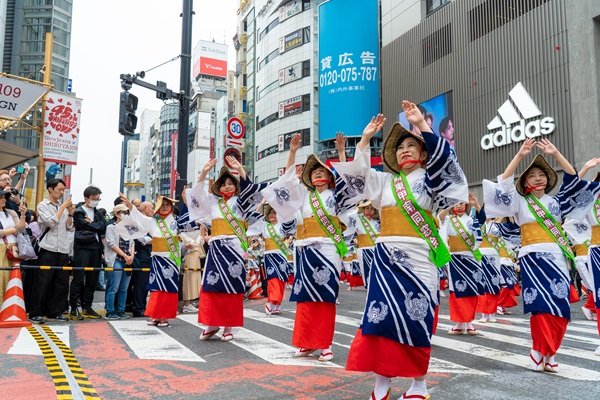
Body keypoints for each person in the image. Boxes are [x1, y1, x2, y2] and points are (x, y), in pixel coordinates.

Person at [333, 101, 468, 400]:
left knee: (416, 318)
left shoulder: (433, 181)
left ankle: (418, 383)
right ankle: (382, 381)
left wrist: (421, 124)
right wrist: (366, 140)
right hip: (386, 259)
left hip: (420, 258)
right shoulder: (386, 183)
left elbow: (449, 164)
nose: (405, 150)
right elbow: (359, 178)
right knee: (380, 319)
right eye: (400, 147)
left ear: (423, 153)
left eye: (412, 145)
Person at [482, 138, 600, 372]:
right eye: (532, 175)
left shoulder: (557, 202)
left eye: (542, 175)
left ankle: (550, 351)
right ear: (525, 181)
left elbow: (573, 179)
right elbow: (504, 183)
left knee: (560, 307)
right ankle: (538, 351)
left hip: (557, 259)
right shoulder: (519, 202)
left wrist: (556, 154)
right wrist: (519, 156)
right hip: (532, 259)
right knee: (540, 306)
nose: (538, 178)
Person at [261, 133, 355, 362]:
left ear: (330, 178)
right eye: (314, 172)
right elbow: (287, 184)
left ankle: (325, 344)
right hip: (304, 251)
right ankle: (306, 342)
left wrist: (342, 152)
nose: (317, 174)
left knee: (324, 297)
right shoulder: (304, 196)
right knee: (304, 298)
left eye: (322, 171)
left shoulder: (337, 196)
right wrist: (292, 152)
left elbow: (349, 183)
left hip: (327, 251)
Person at [186, 155, 265, 341]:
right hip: (216, 249)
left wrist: (240, 169)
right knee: (213, 285)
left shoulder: (241, 202)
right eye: (223, 184)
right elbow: (196, 194)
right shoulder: (213, 203)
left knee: (231, 287)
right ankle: (212, 323)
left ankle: (228, 327)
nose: (227, 186)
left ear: (235, 186)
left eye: (231, 183)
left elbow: (249, 190)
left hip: (234, 250)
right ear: (218, 188)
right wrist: (204, 172)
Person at [117, 194, 185, 327]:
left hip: (171, 259)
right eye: (162, 205)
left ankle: (165, 316)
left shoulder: (176, 221)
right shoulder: (153, 221)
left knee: (168, 288)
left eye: (167, 205)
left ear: (171, 207)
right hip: (157, 258)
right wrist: (130, 206)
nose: (165, 208)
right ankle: (155, 315)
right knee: (155, 288)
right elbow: (139, 217)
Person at [28, 179, 73, 324]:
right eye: (59, 189)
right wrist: (63, 209)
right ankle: (35, 312)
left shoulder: (62, 206)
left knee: (61, 283)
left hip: (63, 248)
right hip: (48, 248)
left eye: (63, 190)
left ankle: (56, 311)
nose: (61, 192)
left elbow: (68, 227)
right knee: (42, 282)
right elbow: (51, 222)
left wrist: (70, 214)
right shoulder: (43, 205)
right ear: (50, 189)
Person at [248, 202, 295, 315]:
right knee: (273, 280)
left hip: (281, 256)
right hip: (269, 256)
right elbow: (254, 219)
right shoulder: (265, 226)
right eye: (270, 213)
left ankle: (277, 304)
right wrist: (261, 204)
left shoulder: (283, 226)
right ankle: (270, 303)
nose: (272, 215)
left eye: (274, 213)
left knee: (281, 280)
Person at [70, 186, 106, 320]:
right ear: (86, 198)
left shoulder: (98, 212)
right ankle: (74, 307)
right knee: (78, 278)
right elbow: (82, 225)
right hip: (82, 247)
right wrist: (95, 226)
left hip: (96, 249)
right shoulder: (79, 211)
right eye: (94, 199)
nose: (96, 201)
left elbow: (104, 225)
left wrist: (93, 225)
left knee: (92, 279)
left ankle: (88, 306)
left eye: (98, 199)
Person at [104, 204, 134, 319]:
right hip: (116, 258)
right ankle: (110, 311)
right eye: (123, 212)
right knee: (114, 286)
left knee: (124, 288)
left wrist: (131, 255)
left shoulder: (129, 227)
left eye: (127, 212)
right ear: (116, 214)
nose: (125, 215)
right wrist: (125, 255)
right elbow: (112, 244)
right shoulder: (111, 227)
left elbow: (132, 243)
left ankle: (121, 310)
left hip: (128, 259)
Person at [0, 189, 27, 308]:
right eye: (0, 198)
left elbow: (21, 229)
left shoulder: (11, 212)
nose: (3, 200)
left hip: (14, 249)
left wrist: (23, 215)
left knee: (13, 278)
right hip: (2, 248)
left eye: (4, 198)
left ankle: (10, 308)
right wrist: (11, 231)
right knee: (1, 278)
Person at [129, 201, 154, 317]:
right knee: (140, 284)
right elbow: (144, 240)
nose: (153, 211)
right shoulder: (137, 223)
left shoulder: (152, 223)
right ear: (144, 209)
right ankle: (138, 308)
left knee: (148, 284)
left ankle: (144, 307)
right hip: (141, 257)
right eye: (151, 209)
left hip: (151, 256)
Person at [356, 200, 380, 290]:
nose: (370, 210)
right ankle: (368, 290)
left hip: (377, 250)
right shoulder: (358, 220)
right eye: (367, 208)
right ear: (363, 209)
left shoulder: (377, 222)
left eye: (372, 209)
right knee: (367, 273)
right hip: (364, 250)